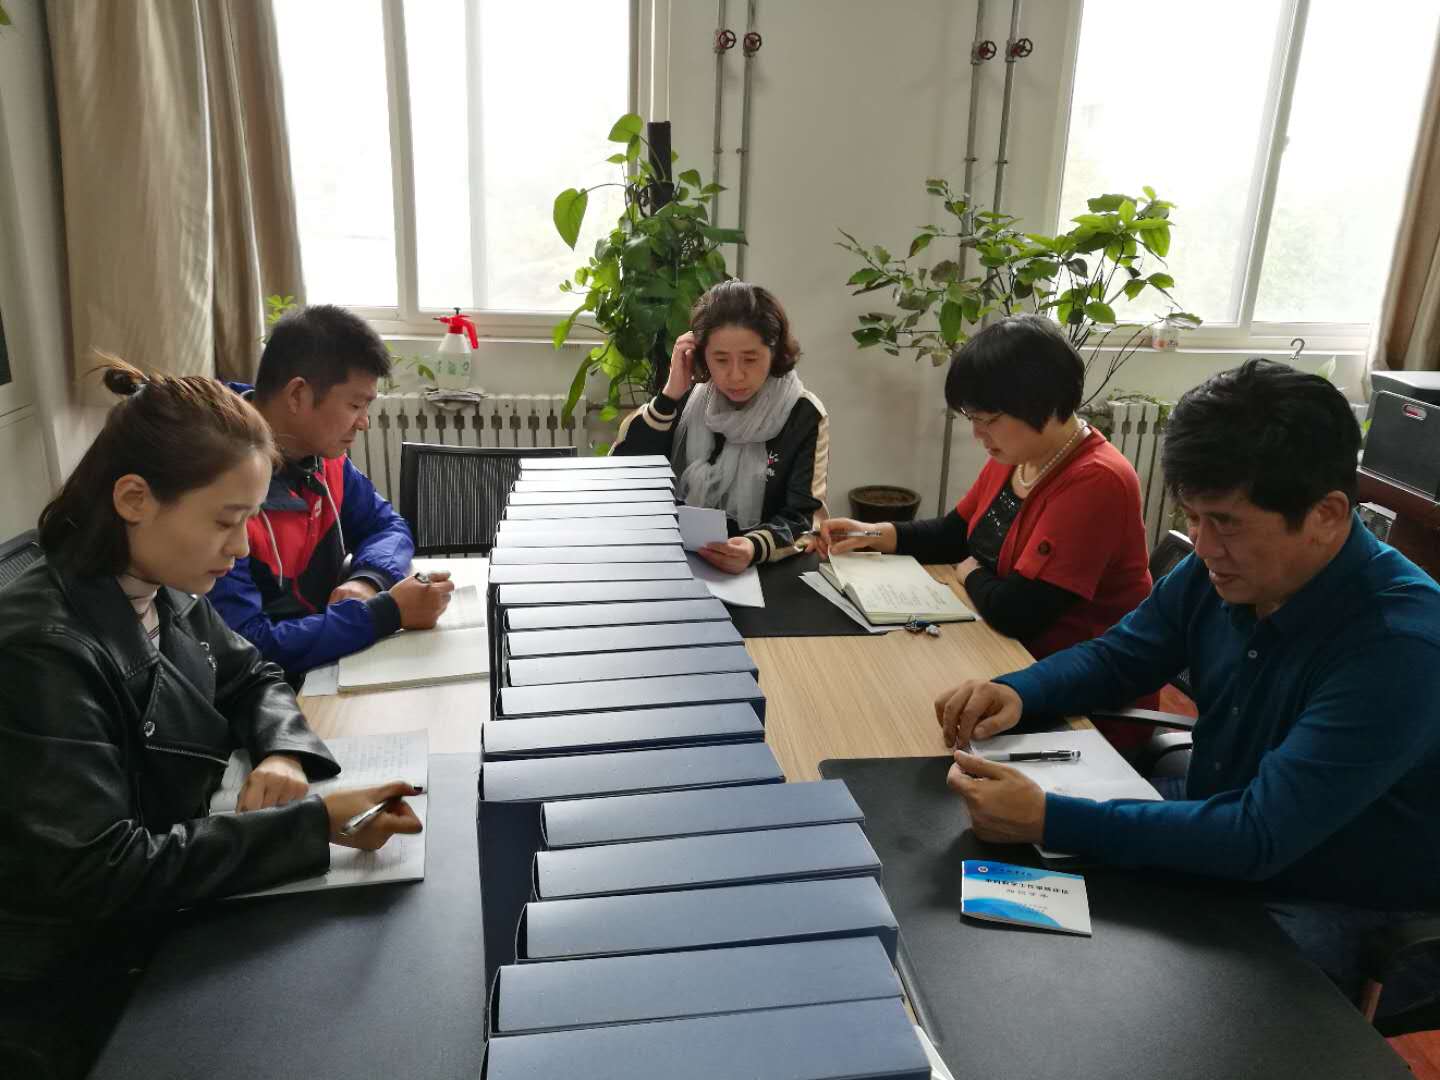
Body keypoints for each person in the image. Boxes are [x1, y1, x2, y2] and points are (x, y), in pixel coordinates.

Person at [936, 359, 1440, 1017]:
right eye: (1192, 518)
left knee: (1138, 1013)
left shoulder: (1399, 643)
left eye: (1225, 522)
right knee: (989, 938)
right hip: (1220, 817)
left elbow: (1260, 835)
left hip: (1332, 894)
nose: (1202, 547)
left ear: (1326, 514)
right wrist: (1018, 692)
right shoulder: (1226, 567)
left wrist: (1051, 817)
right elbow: (1122, 656)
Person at [0, 361, 422, 1077]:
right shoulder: (41, 649)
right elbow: (101, 873)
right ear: (134, 498)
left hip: (164, 918)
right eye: (226, 521)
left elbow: (251, 674)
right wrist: (312, 826)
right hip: (79, 987)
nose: (241, 547)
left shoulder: (152, 578)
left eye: (250, 519)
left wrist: (282, 753)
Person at [819, 314, 1153, 747]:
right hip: (1004, 659)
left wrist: (971, 572)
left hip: (1072, 702)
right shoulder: (1019, 456)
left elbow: (1020, 610)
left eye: (988, 419)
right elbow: (956, 534)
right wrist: (875, 533)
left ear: (1040, 402)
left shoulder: (1096, 479)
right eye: (971, 417)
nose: (977, 433)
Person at [211, 304, 453, 681]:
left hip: (324, 663)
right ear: (297, 395)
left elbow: (388, 527)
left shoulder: (323, 460)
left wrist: (367, 580)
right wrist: (383, 614)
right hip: (269, 688)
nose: (364, 422)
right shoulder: (218, 484)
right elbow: (243, 645)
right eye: (355, 405)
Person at [612, 280, 829, 572]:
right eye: (721, 359)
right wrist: (669, 396)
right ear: (702, 355)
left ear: (774, 352)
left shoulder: (803, 413)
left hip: (763, 569)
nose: (735, 375)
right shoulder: (688, 396)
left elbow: (805, 517)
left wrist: (753, 547)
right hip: (679, 561)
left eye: (750, 359)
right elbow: (624, 475)